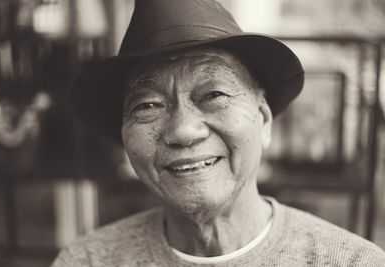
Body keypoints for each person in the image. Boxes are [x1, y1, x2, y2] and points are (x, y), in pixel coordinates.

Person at [52, 0, 385, 266]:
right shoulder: (87, 260)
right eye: (148, 105)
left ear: (264, 120)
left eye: (214, 95)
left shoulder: (350, 261)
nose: (183, 131)